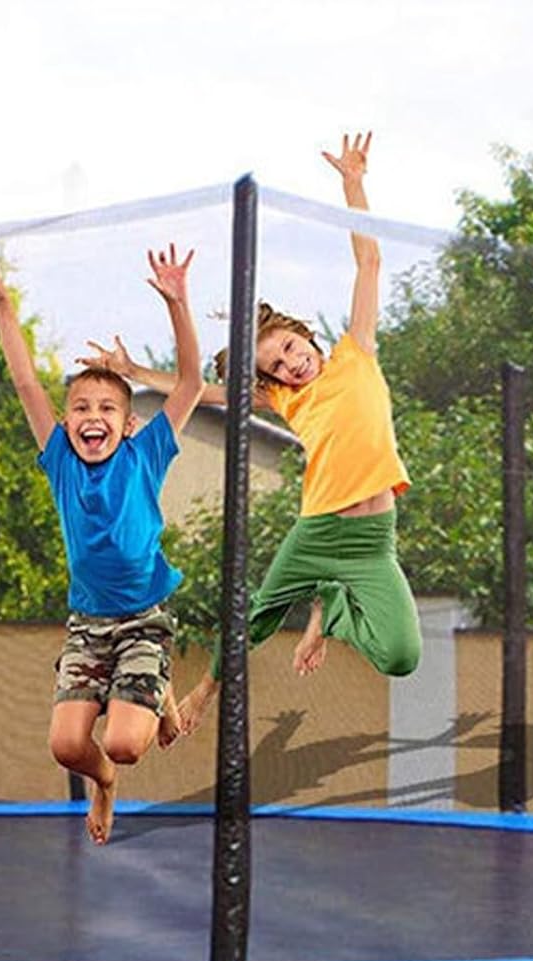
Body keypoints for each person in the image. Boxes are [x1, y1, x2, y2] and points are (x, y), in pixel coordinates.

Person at [83, 132, 421, 735]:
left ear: (305, 335)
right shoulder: (286, 398)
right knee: (258, 615)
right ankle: (202, 694)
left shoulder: (357, 352)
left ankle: (333, 610)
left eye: (290, 349)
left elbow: (369, 262)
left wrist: (352, 183)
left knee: (401, 656)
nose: (291, 364)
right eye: (277, 366)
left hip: (374, 541)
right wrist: (134, 372)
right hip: (320, 530)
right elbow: (201, 391)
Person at [0, 238, 204, 844]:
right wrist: (2, 307)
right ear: (67, 423)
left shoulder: (145, 456)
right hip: (88, 625)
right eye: (81, 408)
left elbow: (193, 382)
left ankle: (154, 683)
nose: (93, 416)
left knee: (125, 744)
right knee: (70, 747)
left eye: (107, 409)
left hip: (143, 618)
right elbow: (25, 384)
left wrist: (177, 302)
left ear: (128, 424)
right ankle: (105, 783)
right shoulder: (61, 460)